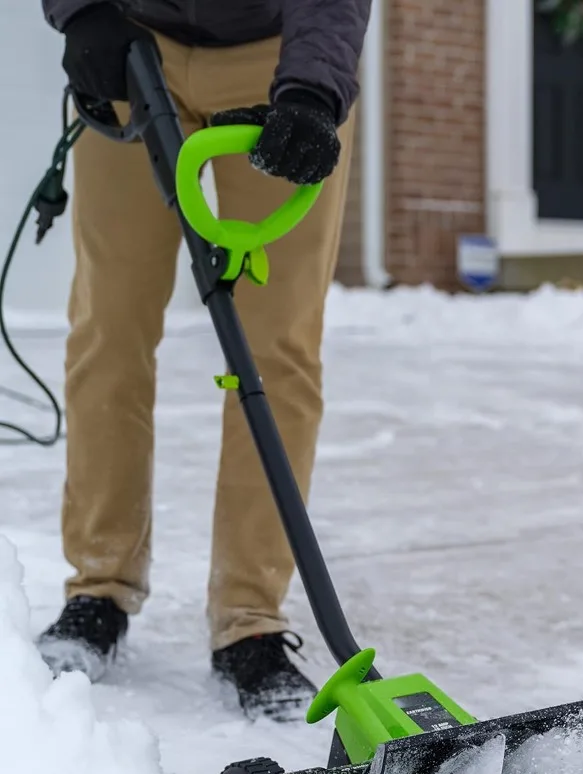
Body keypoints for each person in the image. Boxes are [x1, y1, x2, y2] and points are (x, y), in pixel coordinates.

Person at [34, 0, 371, 721]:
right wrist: (81, 11)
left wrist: (313, 88)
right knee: (109, 329)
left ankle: (251, 618)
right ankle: (99, 587)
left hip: (279, 52)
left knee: (277, 348)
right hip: (130, 38)